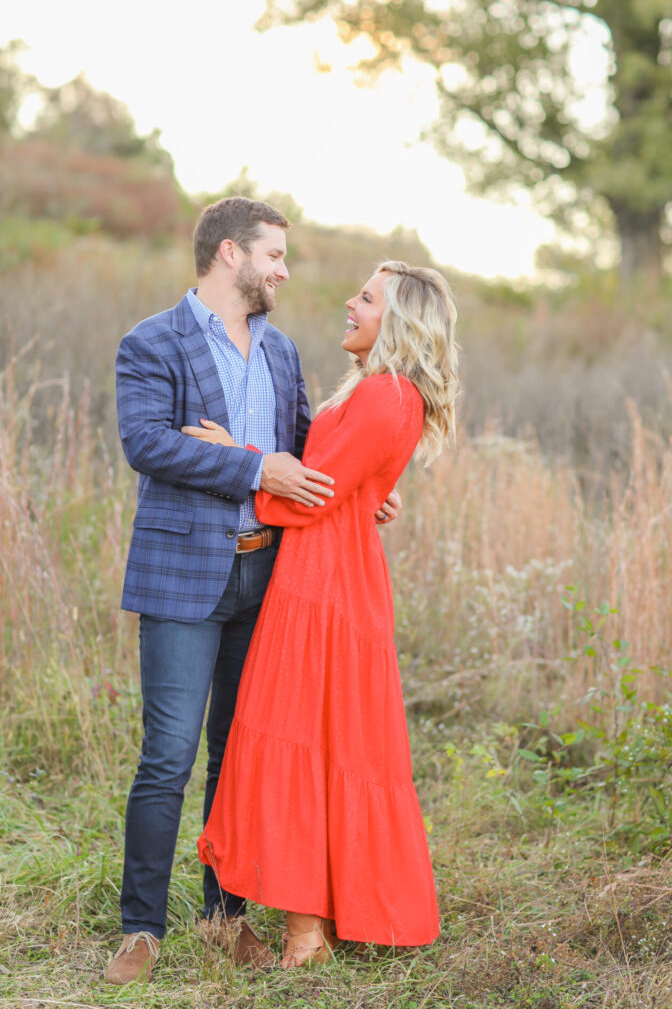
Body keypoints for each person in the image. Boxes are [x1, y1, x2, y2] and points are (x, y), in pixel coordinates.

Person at [107, 197, 401, 985]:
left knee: (238, 757)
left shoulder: (281, 353)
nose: (284, 270)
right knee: (166, 757)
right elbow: (145, 443)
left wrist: (358, 488)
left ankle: (223, 916)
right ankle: (141, 929)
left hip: (269, 577)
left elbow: (308, 449)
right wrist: (249, 465)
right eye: (274, 255)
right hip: (181, 578)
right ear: (231, 254)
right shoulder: (152, 341)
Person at [193, 260, 460, 967]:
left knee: (306, 747)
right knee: (320, 746)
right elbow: (339, 478)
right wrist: (363, 486)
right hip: (330, 572)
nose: (350, 303)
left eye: (366, 299)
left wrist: (237, 455)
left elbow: (304, 493)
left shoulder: (384, 395)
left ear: (396, 321)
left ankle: (306, 931)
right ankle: (318, 921)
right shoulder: (386, 393)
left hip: (325, 584)